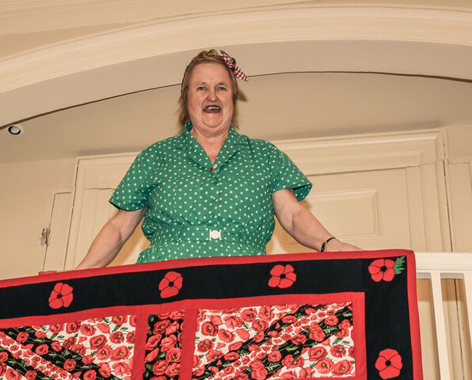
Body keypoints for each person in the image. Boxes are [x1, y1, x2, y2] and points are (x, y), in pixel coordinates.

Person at [74, 49, 360, 269]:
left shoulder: (264, 156)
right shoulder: (155, 157)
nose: (212, 95)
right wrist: (78, 274)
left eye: (221, 88)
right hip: (164, 287)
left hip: (245, 286)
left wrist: (329, 243)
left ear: (232, 97)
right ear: (186, 98)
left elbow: (294, 214)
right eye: (201, 88)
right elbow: (119, 227)